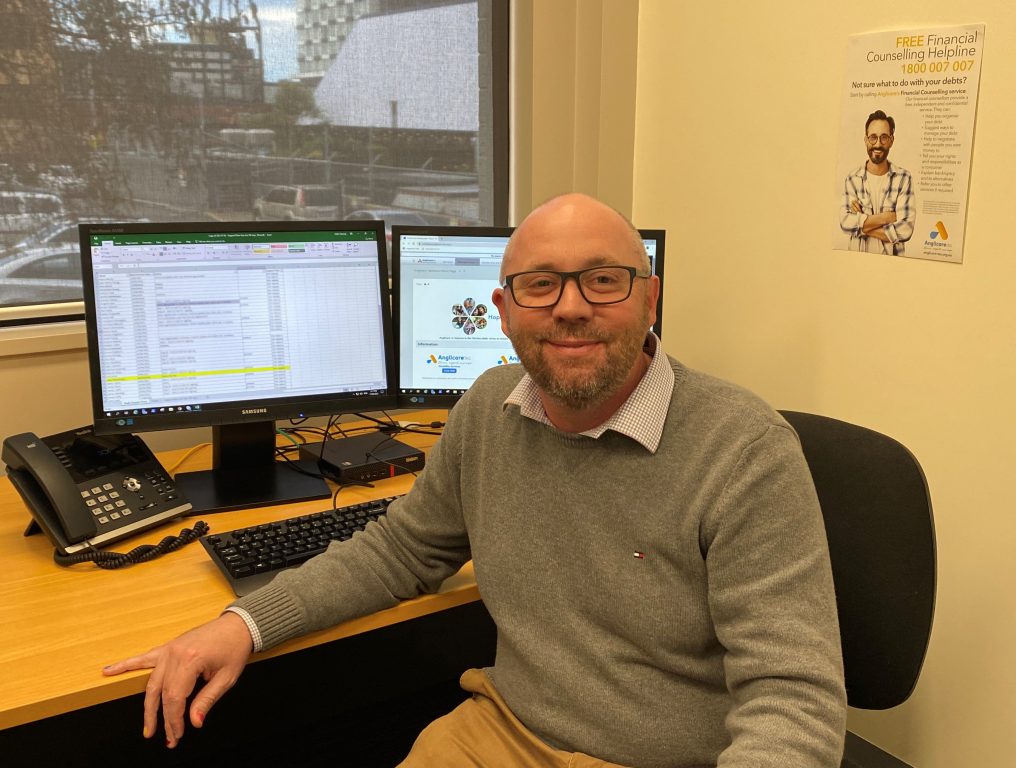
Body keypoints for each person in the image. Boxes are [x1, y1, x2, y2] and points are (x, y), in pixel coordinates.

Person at [104, 193, 847, 766]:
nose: (571, 307)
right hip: (502, 733)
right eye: (540, 286)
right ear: (503, 311)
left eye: (603, 281)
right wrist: (248, 623)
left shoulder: (743, 450)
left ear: (650, 298)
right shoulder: (489, 409)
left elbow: (793, 698)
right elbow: (401, 551)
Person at [840, 109, 916, 255]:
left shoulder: (903, 178)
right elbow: (845, 223)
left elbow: (905, 230)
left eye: (884, 138)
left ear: (891, 141)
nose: (878, 144)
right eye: (873, 137)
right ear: (866, 140)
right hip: (856, 262)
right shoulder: (852, 179)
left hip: (892, 266)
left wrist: (862, 223)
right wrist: (886, 217)